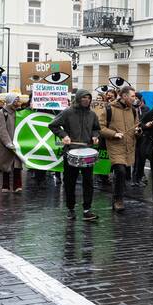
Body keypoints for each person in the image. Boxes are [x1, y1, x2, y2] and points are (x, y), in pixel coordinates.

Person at [49, 89, 102, 221]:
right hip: (71, 151)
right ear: (78, 98)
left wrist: (95, 136)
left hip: (87, 151)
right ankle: (71, 209)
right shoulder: (68, 112)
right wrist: (64, 135)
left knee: (88, 182)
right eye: (84, 98)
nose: (87, 100)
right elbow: (53, 125)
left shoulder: (92, 114)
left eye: (88, 98)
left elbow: (96, 128)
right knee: (69, 182)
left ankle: (87, 209)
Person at [99, 85, 139, 212]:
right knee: (120, 171)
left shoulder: (133, 110)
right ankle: (118, 199)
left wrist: (139, 131)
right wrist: (114, 134)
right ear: (124, 96)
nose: (134, 98)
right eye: (132, 96)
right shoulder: (109, 109)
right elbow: (101, 128)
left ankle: (118, 195)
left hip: (129, 146)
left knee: (123, 174)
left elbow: (136, 126)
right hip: (115, 146)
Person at [0, 93, 23, 194]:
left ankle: (18, 186)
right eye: (16, 101)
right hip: (5, 144)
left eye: (18, 100)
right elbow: (1, 128)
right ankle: (5, 185)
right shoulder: (2, 112)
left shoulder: (20, 112)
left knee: (17, 165)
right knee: (5, 165)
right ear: (11, 101)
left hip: (17, 143)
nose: (18, 103)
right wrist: (7, 142)